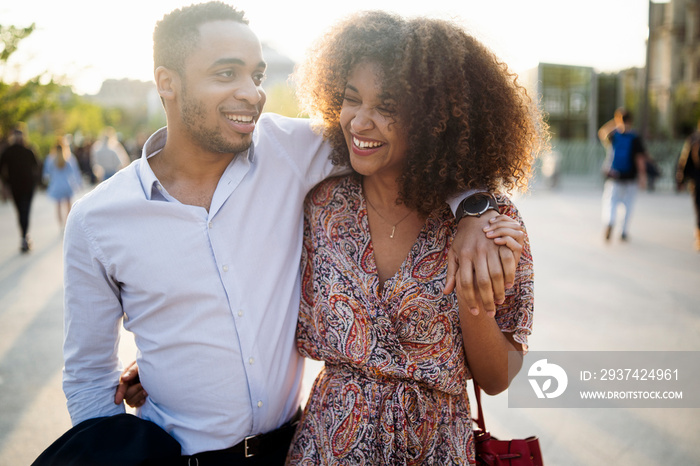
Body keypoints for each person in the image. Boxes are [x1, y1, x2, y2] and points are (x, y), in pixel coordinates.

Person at [51, 2, 520, 465]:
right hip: (179, 456)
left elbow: (424, 143)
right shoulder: (98, 221)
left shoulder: (290, 151)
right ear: (167, 83)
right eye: (225, 74)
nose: (252, 93)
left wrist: (472, 209)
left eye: (255, 76)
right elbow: (90, 378)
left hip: (292, 448)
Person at [285, 11, 542, 464]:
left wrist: (471, 295)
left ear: (434, 121)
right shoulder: (321, 207)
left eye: (387, 107)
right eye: (351, 99)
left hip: (436, 447)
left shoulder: (489, 222)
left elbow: (498, 377)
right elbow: (263, 309)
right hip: (328, 446)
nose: (361, 122)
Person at [598, 108, 648, 242]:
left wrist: (616, 122)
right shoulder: (635, 138)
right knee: (628, 205)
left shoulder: (613, 135)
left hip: (614, 175)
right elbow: (640, 159)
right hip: (630, 177)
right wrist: (642, 177)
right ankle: (623, 231)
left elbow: (601, 132)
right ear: (631, 121)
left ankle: (610, 221)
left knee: (610, 202)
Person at [0, 127, 40, 252]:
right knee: (22, 211)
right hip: (17, 186)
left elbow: (36, 166)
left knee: (24, 211)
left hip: (25, 186)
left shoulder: (28, 150)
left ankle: (24, 236)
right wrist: (5, 185)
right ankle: (24, 236)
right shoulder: (9, 151)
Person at [42, 137, 82, 229]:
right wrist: (78, 184)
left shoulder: (50, 159)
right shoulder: (68, 158)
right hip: (66, 185)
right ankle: (68, 223)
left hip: (56, 185)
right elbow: (74, 173)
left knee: (58, 206)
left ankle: (60, 225)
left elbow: (47, 173)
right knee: (68, 206)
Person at [676, 121, 700, 250]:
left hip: (697, 181)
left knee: (699, 209)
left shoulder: (693, 139)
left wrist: (681, 179)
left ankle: (699, 237)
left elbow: (684, 161)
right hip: (697, 181)